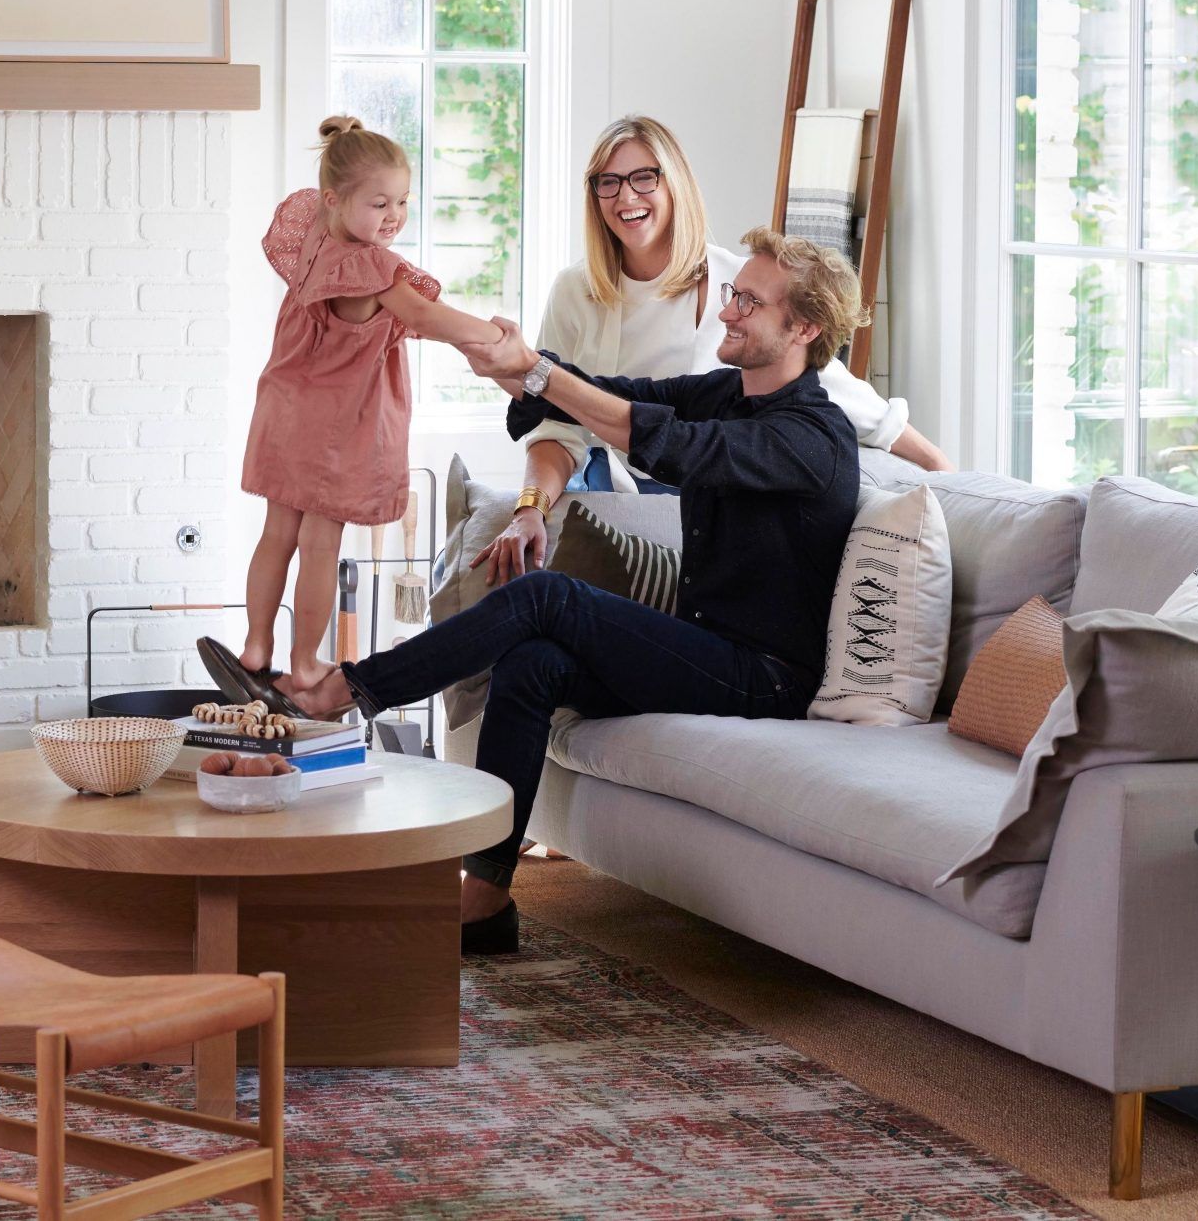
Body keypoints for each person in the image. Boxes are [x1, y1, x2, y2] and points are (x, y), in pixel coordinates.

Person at [283, 228, 866, 957]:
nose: (727, 310)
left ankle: (346, 689)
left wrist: (538, 373)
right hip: (709, 648)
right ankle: (486, 901)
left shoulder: (814, 437)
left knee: (547, 597)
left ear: (803, 328)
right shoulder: (729, 394)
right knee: (532, 662)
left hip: (765, 677)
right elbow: (621, 396)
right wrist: (520, 367)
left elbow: (661, 439)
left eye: (748, 300)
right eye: (732, 293)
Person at [481, 115, 947, 586]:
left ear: (675, 184)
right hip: (611, 498)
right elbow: (561, 421)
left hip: (704, 510)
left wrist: (944, 473)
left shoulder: (738, 286)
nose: (625, 197)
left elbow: (841, 393)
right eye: (609, 182)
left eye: (644, 177)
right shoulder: (574, 291)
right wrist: (529, 508)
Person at [205, 116, 508, 696]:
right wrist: (491, 336)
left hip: (283, 408)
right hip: (335, 429)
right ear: (336, 200)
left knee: (276, 535)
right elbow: (425, 317)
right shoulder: (370, 266)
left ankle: (256, 643)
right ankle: (306, 663)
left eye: (402, 202)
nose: (393, 216)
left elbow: (327, 222)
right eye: (379, 203)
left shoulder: (317, 234)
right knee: (321, 545)